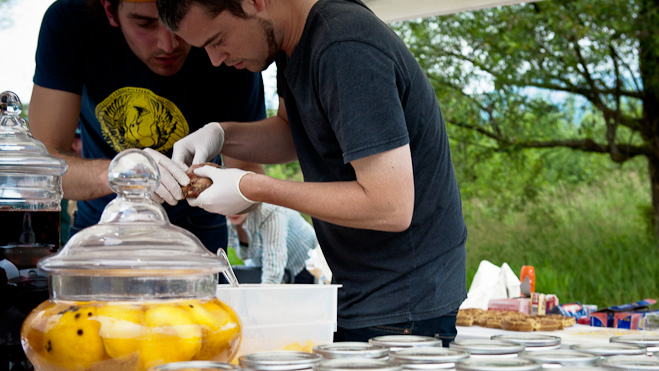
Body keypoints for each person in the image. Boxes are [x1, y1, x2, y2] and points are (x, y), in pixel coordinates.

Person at [156, 0, 467, 345]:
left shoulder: (343, 47)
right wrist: (221, 134)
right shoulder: (293, 47)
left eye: (216, 40)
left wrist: (251, 186)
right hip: (361, 292)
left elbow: (390, 206)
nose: (215, 60)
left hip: (403, 307)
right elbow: (292, 132)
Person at [27, 0, 267, 254]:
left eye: (178, 22)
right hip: (101, 232)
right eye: (145, 23)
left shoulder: (223, 38)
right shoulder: (70, 22)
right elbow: (42, 167)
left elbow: (250, 171)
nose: (168, 44)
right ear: (110, 10)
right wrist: (121, 173)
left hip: (194, 238)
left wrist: (238, 198)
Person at [226, 204, 318, 284]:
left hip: (302, 262)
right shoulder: (219, 215)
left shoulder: (271, 211)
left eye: (238, 203)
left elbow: (273, 273)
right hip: (262, 262)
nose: (234, 210)